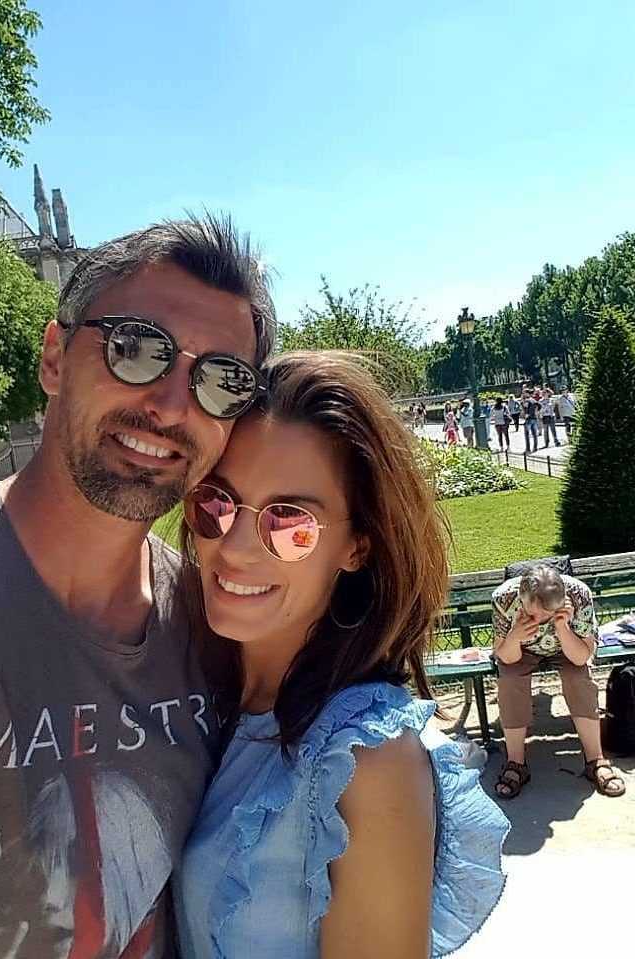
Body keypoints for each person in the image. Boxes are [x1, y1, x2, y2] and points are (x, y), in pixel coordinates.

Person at [0, 215, 276, 958]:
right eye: (136, 349)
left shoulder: (213, 624)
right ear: (54, 357)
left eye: (222, 381)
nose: (172, 406)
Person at [174, 351, 509, 959]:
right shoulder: (193, 689)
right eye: (215, 503)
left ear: (356, 546)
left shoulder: (365, 761)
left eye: (290, 522)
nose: (237, 547)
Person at [492, 565, 625, 800]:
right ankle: (516, 763)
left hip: (568, 646)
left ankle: (596, 760)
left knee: (578, 678)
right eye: (534, 615)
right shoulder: (504, 598)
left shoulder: (579, 594)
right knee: (511, 680)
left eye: (548, 614)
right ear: (522, 601)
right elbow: (506, 656)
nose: (541, 621)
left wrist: (562, 627)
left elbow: (581, 656)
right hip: (521, 649)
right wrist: (515, 636)